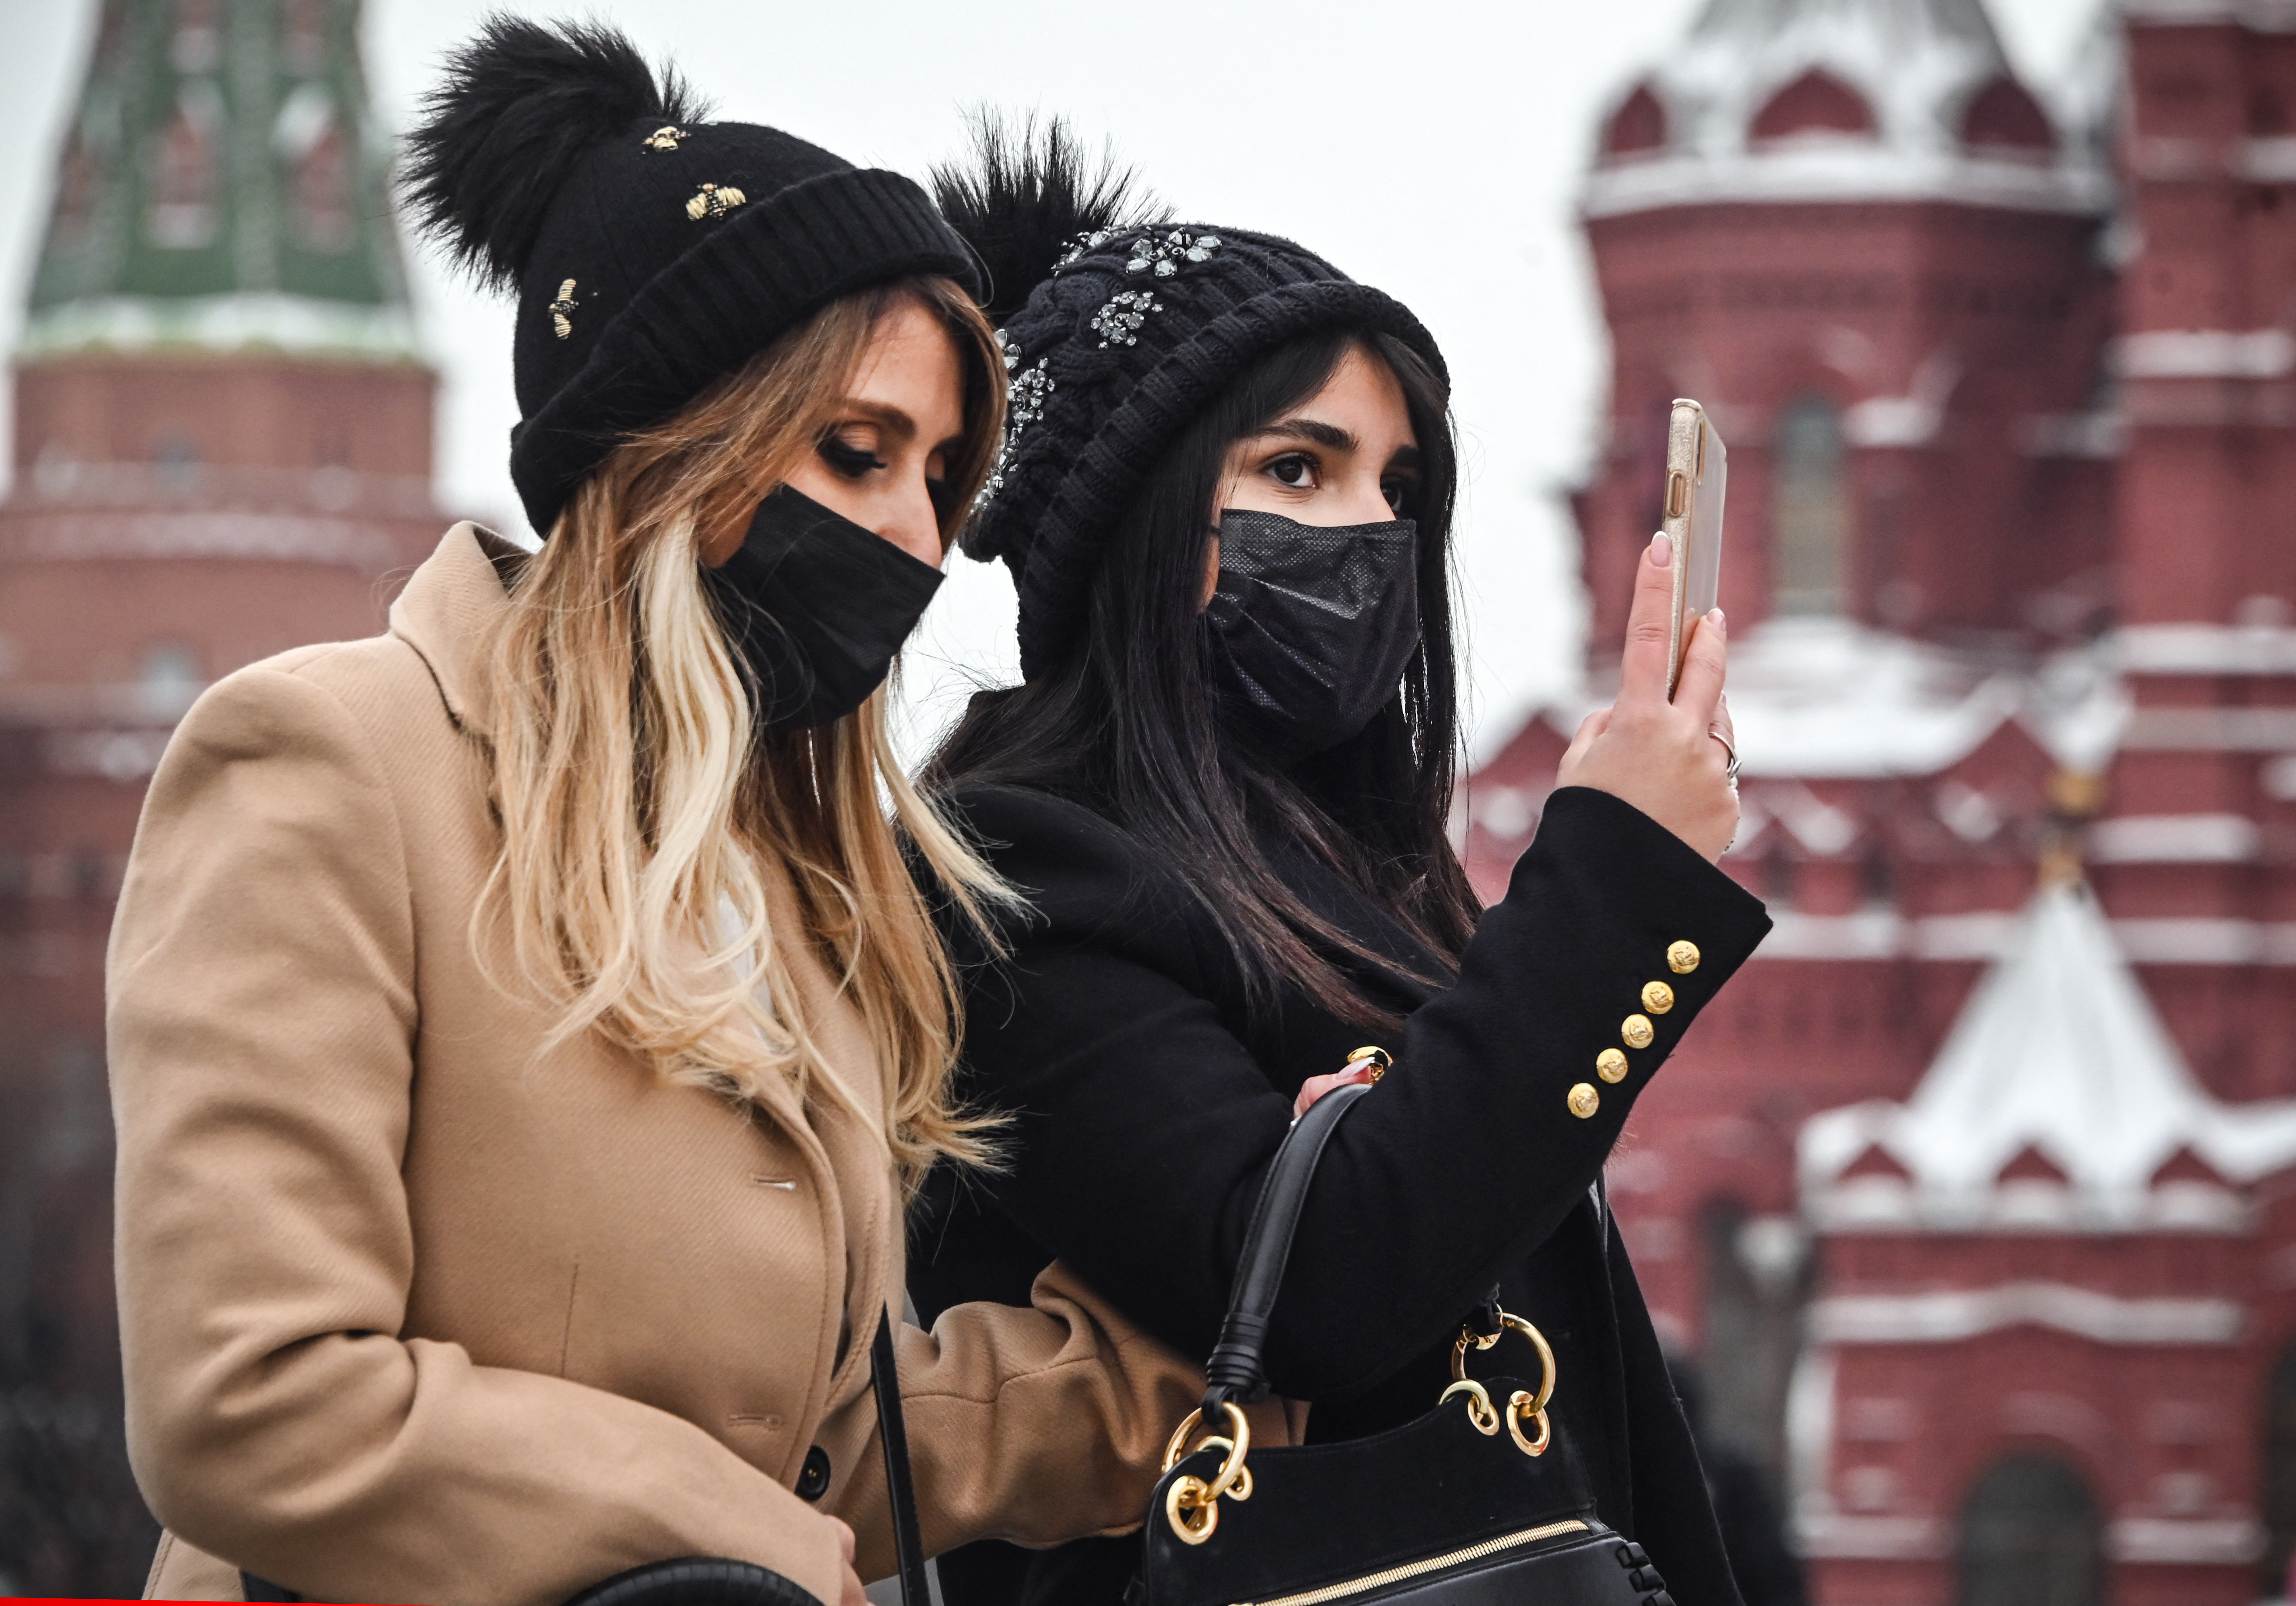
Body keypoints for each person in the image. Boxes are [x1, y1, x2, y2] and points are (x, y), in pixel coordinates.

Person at [104, 34, 1288, 1606]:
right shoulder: (331, 761)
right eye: (854, 452)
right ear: (675, 441)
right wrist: (703, 1510)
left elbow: (812, 1452)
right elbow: (247, 1401)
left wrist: (1235, 1368)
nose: (913, 535)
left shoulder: (790, 881)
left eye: (945, 479)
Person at [906, 128, 1773, 1606]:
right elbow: (1316, 1289)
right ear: (1134, 526)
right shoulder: (1022, 865)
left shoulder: (1345, 867)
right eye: (1299, 468)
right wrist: (1615, 873)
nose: (1372, 527)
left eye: (1399, 483)